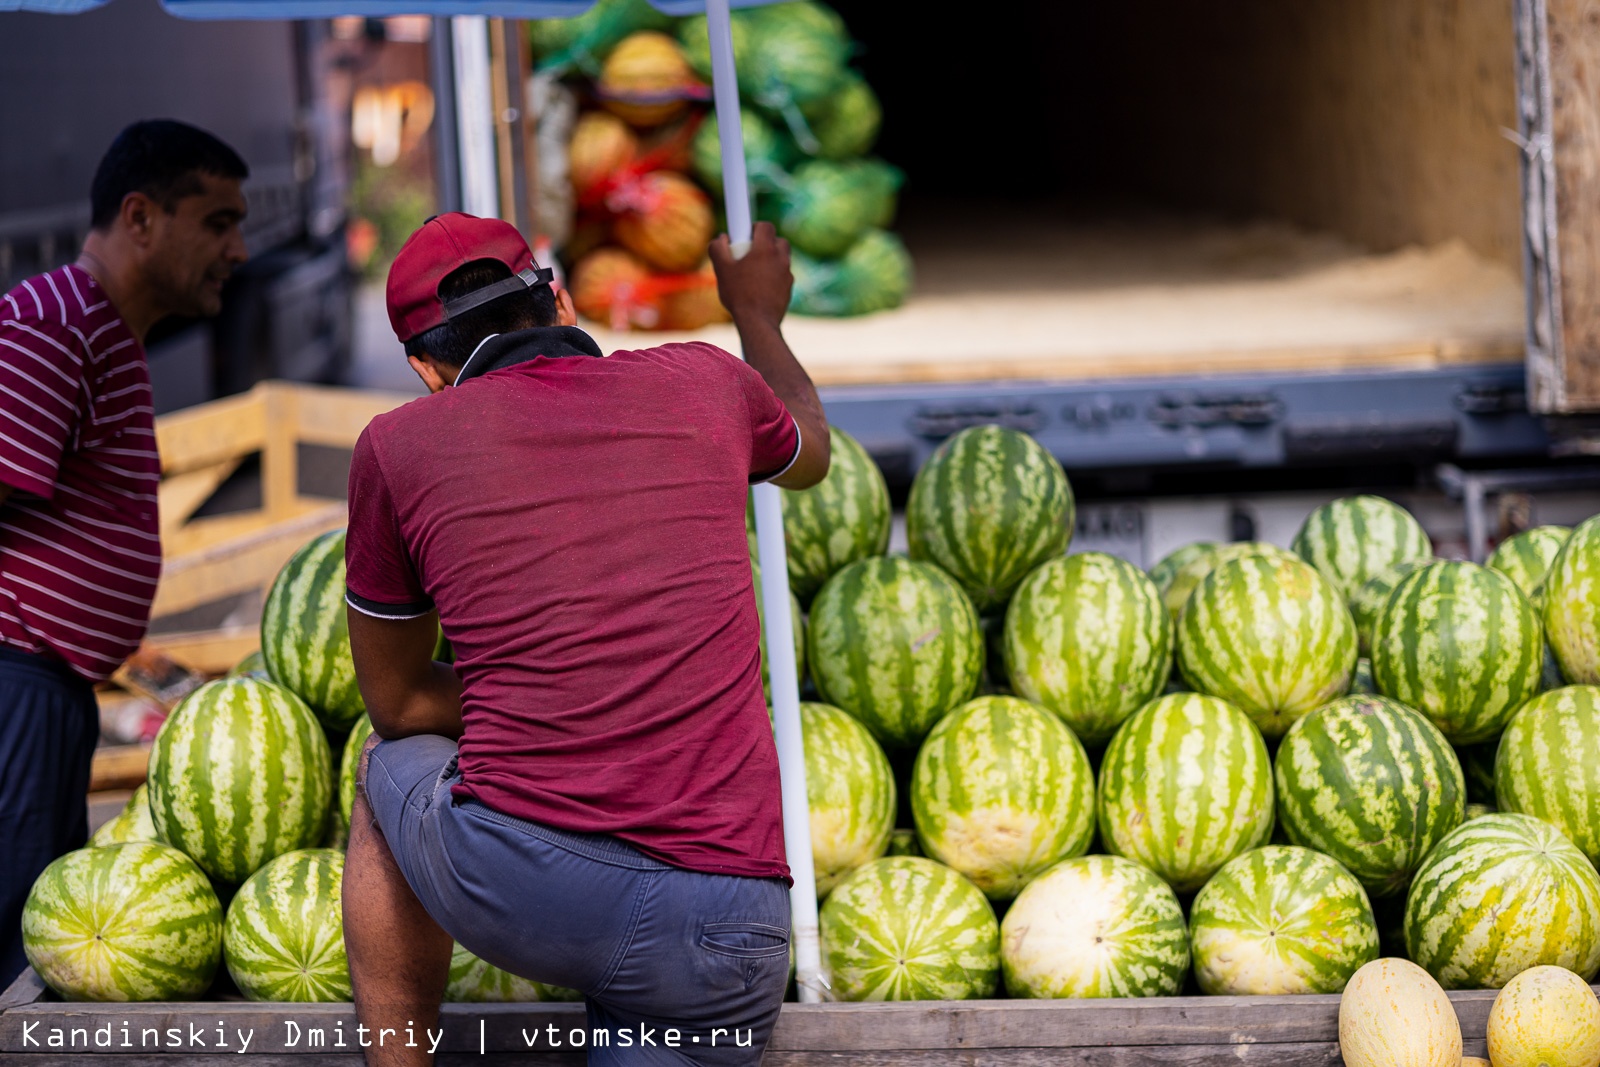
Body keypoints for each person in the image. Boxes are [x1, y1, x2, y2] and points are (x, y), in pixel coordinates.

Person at [342, 211, 828, 1067]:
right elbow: (810, 450)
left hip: (536, 890)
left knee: (386, 768)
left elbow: (398, 701)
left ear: (424, 368)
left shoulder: (398, 445)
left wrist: (532, 683)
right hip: (734, 930)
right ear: (559, 298)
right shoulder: (707, 381)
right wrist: (756, 315)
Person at [0, 119, 249, 983]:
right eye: (217, 222)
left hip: (47, 684)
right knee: (16, 954)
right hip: (17, 686)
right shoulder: (54, 325)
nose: (240, 249)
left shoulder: (102, 329)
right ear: (140, 218)